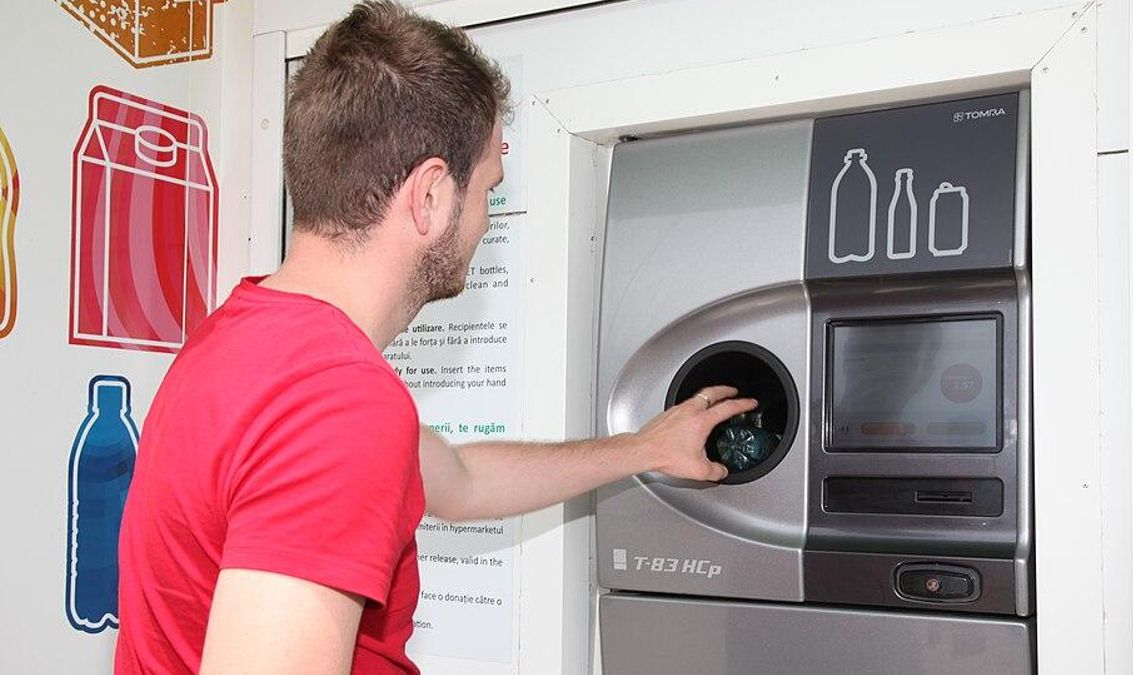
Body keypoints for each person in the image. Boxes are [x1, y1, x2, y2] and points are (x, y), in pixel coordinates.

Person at [114, 2, 755, 673]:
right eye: (486, 191)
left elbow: (461, 480)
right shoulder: (337, 401)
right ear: (429, 196)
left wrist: (644, 448)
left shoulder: (238, 342)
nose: (483, 221)